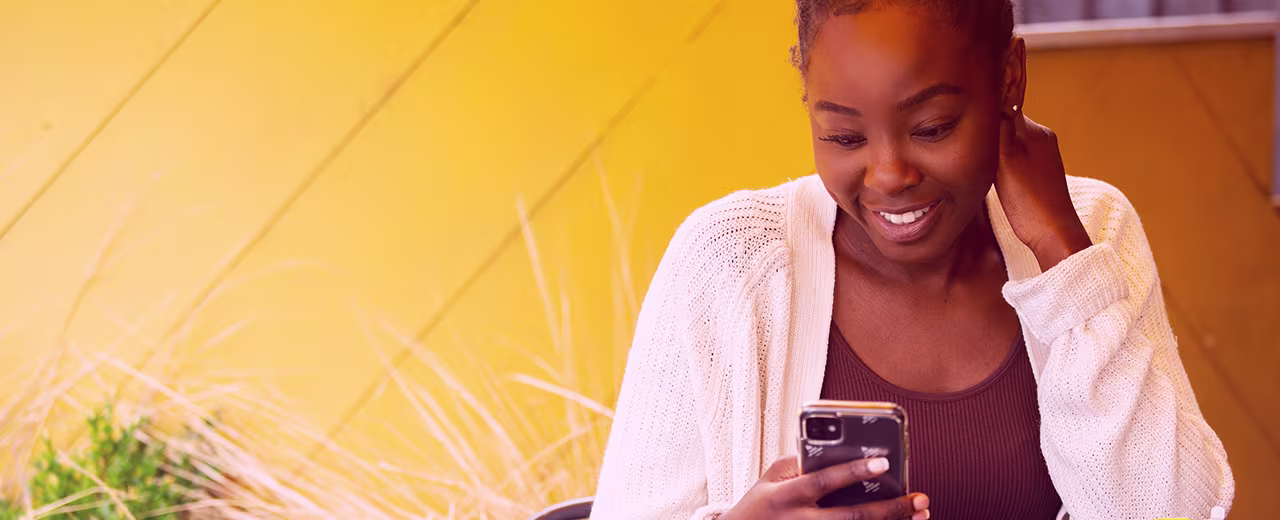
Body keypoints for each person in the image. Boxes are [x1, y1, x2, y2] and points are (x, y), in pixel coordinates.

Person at [590, 0, 1235, 518]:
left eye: (932, 127)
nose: (889, 175)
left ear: (1009, 76)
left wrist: (1064, 256)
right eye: (843, 136)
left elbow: (1174, 509)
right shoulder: (729, 266)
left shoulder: (1092, 230)